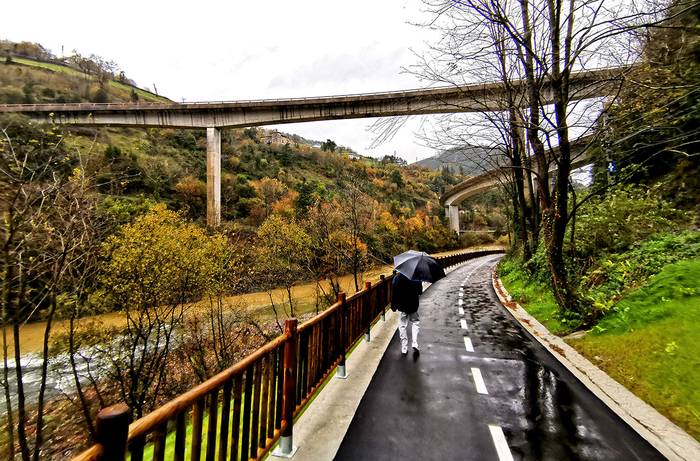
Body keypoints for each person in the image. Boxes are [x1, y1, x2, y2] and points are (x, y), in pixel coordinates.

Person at [391, 271, 423, 356]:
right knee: (416, 322)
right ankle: (415, 343)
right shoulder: (416, 277)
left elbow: (394, 293)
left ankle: (404, 347)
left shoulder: (397, 278)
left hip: (402, 306)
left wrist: (393, 306)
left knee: (402, 326)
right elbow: (420, 291)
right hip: (413, 305)